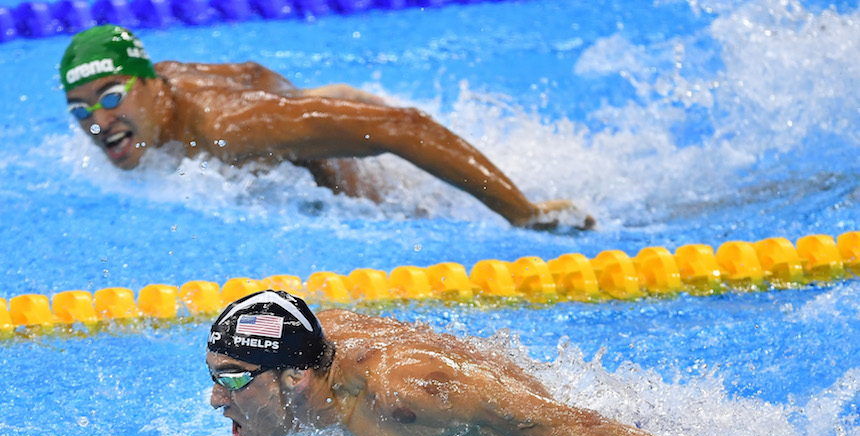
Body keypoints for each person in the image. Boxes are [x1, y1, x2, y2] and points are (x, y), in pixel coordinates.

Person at [205, 290, 802, 436]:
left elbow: (562, 431)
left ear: (294, 379)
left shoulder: (404, 395)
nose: (213, 399)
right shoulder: (308, 347)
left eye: (230, 379)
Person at [59, 24, 594, 231]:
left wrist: (522, 213)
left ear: (153, 87)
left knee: (412, 214)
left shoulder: (229, 127)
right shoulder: (149, 103)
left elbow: (401, 126)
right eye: (80, 110)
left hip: (316, 136)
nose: (98, 123)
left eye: (109, 98)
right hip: (290, 108)